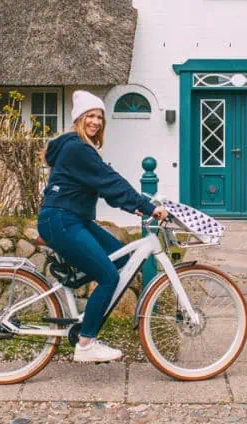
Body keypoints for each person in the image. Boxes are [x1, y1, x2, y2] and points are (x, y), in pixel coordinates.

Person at [37, 90, 168, 363]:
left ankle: (73, 280)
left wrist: (134, 205)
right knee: (109, 276)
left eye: (99, 117)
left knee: (122, 258)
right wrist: (146, 206)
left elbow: (105, 188)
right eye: (90, 116)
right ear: (78, 119)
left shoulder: (80, 149)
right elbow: (110, 180)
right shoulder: (77, 148)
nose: (95, 121)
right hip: (62, 220)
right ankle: (86, 343)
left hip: (71, 218)